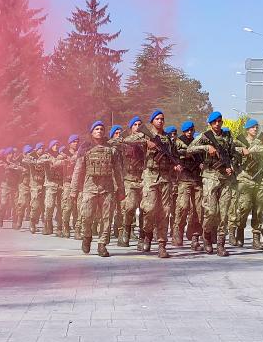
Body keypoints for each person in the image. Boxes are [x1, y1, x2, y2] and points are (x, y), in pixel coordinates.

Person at [124, 110, 182, 258]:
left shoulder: (168, 139)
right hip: (150, 176)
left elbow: (174, 156)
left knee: (165, 211)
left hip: (165, 178)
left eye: (162, 119)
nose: (160, 121)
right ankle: (147, 234)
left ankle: (162, 244)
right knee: (149, 209)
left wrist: (176, 165)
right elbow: (128, 140)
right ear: (152, 122)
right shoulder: (145, 134)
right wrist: (146, 142)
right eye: (157, 119)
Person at [187, 111, 243, 256]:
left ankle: (220, 244)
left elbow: (232, 154)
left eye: (220, 121)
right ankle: (206, 236)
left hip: (225, 179)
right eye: (215, 122)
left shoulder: (227, 136)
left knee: (223, 213)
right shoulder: (205, 137)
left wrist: (231, 167)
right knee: (211, 211)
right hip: (210, 177)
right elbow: (189, 149)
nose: (218, 124)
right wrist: (206, 148)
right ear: (210, 124)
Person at [70, 121, 125, 257]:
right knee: (87, 216)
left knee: (106, 218)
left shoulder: (111, 148)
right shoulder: (85, 148)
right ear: (92, 132)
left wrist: (121, 189)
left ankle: (102, 244)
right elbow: (78, 170)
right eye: (96, 129)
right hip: (90, 186)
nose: (99, 131)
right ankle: (87, 236)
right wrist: (74, 189)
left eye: (101, 129)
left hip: (107, 188)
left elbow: (117, 170)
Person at [234, 119, 263, 249]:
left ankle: (256, 238)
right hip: (245, 178)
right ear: (247, 129)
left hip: (258, 179)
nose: (255, 129)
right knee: (244, 207)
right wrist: (242, 150)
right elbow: (232, 149)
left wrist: (252, 150)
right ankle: (240, 232)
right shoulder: (240, 141)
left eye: (256, 127)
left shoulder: (261, 142)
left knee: (258, 210)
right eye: (252, 127)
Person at [173, 120, 203, 250]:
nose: (189, 132)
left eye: (191, 130)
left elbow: (203, 157)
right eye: (187, 130)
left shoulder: (198, 142)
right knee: (183, 206)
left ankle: (195, 236)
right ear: (183, 131)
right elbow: (173, 157)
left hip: (197, 179)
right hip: (184, 179)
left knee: (198, 210)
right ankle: (177, 231)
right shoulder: (178, 143)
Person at [117, 117, 145, 248]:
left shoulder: (146, 141)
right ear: (131, 128)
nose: (138, 127)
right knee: (129, 207)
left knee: (145, 209)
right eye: (135, 125)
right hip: (129, 179)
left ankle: (142, 237)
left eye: (140, 124)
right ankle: (126, 230)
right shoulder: (124, 142)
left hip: (144, 179)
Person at [60, 135, 80, 238]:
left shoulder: (80, 153)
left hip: (78, 183)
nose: (75, 143)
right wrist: (66, 161)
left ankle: (77, 229)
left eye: (77, 141)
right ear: (69, 143)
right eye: (73, 141)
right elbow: (55, 162)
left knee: (78, 207)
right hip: (68, 183)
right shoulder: (64, 154)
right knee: (67, 207)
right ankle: (65, 226)